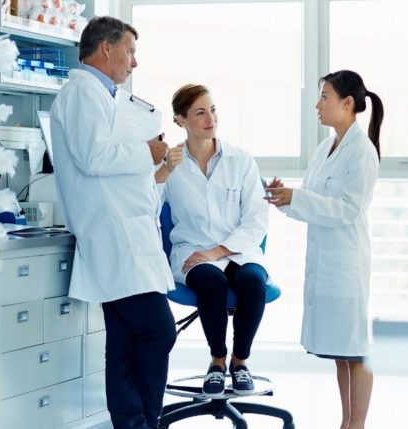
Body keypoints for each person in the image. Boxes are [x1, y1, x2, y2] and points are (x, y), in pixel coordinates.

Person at [49, 16, 176, 429]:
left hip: (124, 232)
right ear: (107, 49)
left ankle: (133, 423)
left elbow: (109, 156)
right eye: (131, 51)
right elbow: (93, 156)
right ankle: (143, 421)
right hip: (112, 234)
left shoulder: (104, 96)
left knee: (122, 342)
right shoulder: (82, 93)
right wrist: (148, 152)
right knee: (158, 330)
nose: (134, 63)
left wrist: (149, 163)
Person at [265, 70, 383, 429]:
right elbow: (314, 198)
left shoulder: (361, 152)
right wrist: (285, 198)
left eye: (324, 96)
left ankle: (356, 425)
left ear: (347, 104)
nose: (317, 104)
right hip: (325, 261)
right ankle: (346, 422)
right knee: (340, 350)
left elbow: (348, 208)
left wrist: (298, 198)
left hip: (346, 263)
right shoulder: (325, 147)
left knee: (357, 349)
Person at [155, 84, 269, 398]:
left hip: (236, 249)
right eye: (200, 112)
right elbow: (146, 206)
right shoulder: (172, 164)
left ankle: (240, 361)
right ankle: (217, 360)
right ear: (180, 119)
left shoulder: (241, 160)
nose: (211, 119)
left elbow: (257, 218)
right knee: (210, 282)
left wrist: (218, 250)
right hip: (191, 251)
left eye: (213, 110)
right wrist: (164, 171)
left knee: (252, 283)